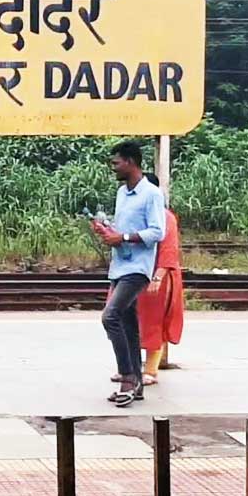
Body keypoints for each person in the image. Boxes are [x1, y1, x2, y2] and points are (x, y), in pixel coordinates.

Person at [92, 142, 166, 408]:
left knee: (110, 316)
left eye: (116, 162)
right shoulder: (122, 193)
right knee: (128, 324)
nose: (113, 167)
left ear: (131, 162)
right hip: (120, 266)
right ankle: (136, 385)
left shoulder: (152, 194)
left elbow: (158, 232)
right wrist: (108, 231)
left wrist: (122, 237)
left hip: (138, 268)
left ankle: (127, 377)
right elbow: (123, 229)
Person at [137, 173, 184, 385]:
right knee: (129, 320)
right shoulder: (137, 212)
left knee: (153, 321)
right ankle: (129, 367)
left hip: (158, 276)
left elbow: (169, 249)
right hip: (137, 273)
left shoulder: (166, 217)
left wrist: (158, 276)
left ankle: (150, 370)